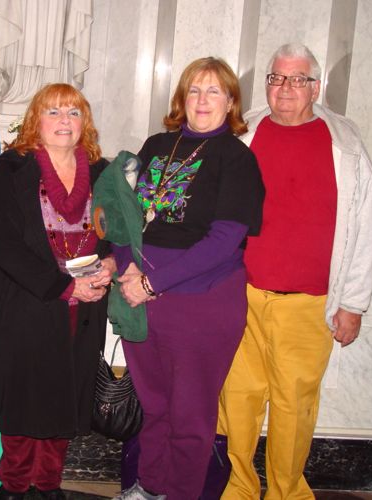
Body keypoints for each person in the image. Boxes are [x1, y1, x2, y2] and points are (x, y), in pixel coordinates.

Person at [217, 43, 372, 500]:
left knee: (294, 406)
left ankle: (287, 491)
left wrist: (353, 303)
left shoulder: (344, 144)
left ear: (316, 87)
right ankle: (240, 487)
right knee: (240, 398)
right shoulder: (243, 134)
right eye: (276, 78)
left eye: (296, 79)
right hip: (242, 296)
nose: (284, 88)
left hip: (308, 304)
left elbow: (365, 229)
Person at [112, 57, 265, 500]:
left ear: (231, 101)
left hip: (200, 302)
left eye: (214, 91)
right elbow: (122, 211)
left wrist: (151, 283)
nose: (202, 100)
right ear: (181, 97)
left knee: (191, 416)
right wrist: (128, 268)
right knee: (155, 406)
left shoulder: (237, 158)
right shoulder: (156, 144)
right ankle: (148, 487)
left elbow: (224, 240)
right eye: (194, 90)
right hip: (140, 294)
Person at [0, 83, 113, 500]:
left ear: (84, 123)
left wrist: (109, 264)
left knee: (65, 396)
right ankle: (16, 484)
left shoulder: (103, 172)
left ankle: (49, 482)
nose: (64, 121)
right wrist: (62, 285)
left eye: (73, 113)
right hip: (28, 301)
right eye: (53, 112)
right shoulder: (12, 168)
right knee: (22, 394)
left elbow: (120, 232)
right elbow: (4, 242)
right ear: (35, 121)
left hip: (84, 305)